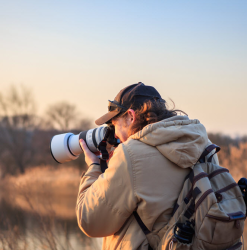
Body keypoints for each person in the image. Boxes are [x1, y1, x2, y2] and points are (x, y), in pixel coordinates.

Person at [76, 82, 219, 250]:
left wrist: (94, 166)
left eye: (115, 124)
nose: (114, 133)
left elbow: (89, 221)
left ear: (130, 116)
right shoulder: (203, 144)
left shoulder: (130, 154)